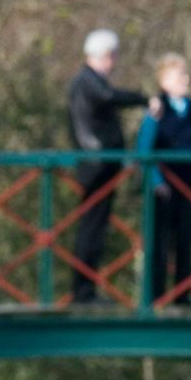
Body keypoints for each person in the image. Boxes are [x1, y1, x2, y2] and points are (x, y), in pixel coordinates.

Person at [67, 31, 154, 305]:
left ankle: (86, 290)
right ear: (104, 56)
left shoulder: (87, 81)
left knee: (95, 227)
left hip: (100, 164)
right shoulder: (88, 81)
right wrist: (143, 99)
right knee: (92, 228)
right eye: (112, 56)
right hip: (97, 165)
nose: (114, 62)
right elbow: (108, 97)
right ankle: (83, 292)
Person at [135, 54, 191, 305]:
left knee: (186, 240)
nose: (185, 79)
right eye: (178, 75)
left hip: (189, 183)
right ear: (164, 81)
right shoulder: (157, 108)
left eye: (185, 74)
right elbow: (144, 148)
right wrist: (156, 181)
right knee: (159, 242)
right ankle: (155, 296)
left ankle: (183, 294)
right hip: (164, 186)